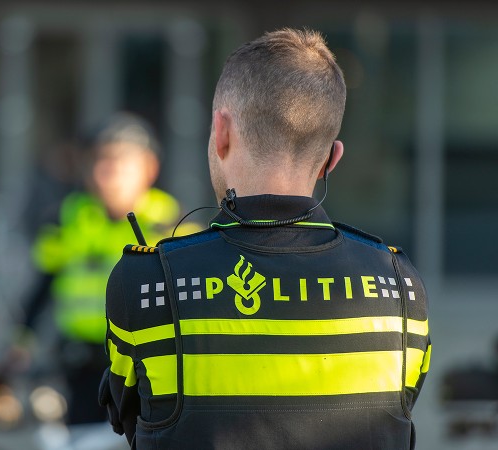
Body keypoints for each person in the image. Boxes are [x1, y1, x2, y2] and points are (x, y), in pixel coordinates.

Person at [99, 28, 431, 449]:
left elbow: (127, 416)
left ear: (221, 132)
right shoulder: (401, 287)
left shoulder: (147, 283)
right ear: (332, 159)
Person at [23, 113, 193, 425]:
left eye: (118, 163)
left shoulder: (174, 223)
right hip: (82, 364)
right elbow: (44, 285)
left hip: (150, 368)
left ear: (149, 167)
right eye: (97, 162)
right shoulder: (66, 218)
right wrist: (21, 341)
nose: (106, 174)